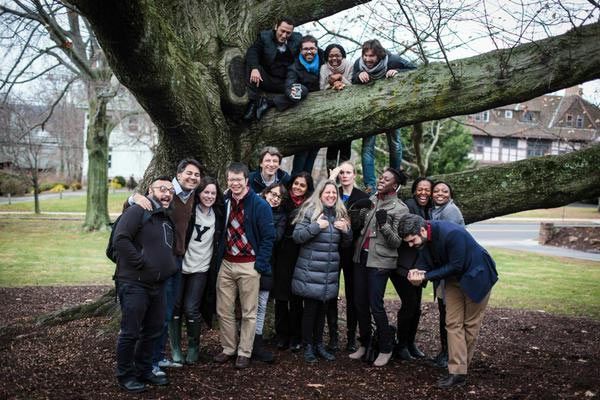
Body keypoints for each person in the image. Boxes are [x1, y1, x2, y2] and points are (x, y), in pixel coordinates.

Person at [399, 214, 498, 389]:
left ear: (422, 230)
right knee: (452, 323)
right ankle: (457, 370)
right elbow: (425, 259)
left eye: (412, 240)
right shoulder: (423, 237)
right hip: (453, 279)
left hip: (477, 276)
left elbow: (456, 265)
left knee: (470, 325)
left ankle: (459, 372)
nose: (411, 245)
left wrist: (426, 276)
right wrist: (417, 272)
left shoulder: (451, 233)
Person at [127, 159, 202, 374]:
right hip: (156, 262)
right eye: (189, 173)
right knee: (155, 314)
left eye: (196, 175)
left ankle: (157, 357)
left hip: (175, 261)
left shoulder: (192, 197)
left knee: (166, 312)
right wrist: (134, 196)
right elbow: (133, 206)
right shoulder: (165, 192)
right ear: (178, 175)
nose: (193, 178)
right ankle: (147, 362)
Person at [113, 176, 179, 393]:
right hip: (134, 283)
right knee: (130, 331)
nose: (167, 193)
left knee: (154, 329)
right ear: (150, 190)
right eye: (162, 188)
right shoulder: (137, 211)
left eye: (170, 189)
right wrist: (141, 263)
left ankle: (143, 369)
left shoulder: (164, 217)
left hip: (158, 284)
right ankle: (125, 375)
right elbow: (120, 239)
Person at [213, 162, 275, 369]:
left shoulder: (260, 205)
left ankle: (244, 352)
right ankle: (229, 348)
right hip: (227, 263)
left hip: (249, 264)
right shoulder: (224, 201)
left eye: (238, 179)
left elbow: (268, 237)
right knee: (224, 310)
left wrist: (260, 264)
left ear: (247, 181)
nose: (235, 183)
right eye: (231, 180)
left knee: (249, 311)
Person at [350, 167, 408, 367]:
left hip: (381, 262)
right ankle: (365, 344)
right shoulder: (372, 200)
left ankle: (386, 348)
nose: (381, 180)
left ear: (395, 185)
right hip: (361, 258)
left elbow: (397, 243)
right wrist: (357, 214)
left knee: (375, 305)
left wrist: (384, 225)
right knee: (359, 303)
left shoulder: (400, 209)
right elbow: (359, 229)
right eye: (381, 177)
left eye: (386, 179)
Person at [291, 179, 352, 363]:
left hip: (329, 272)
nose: (331, 196)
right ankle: (308, 345)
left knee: (323, 310)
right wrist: (317, 226)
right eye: (328, 193)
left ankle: (319, 344)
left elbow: (346, 244)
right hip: (310, 271)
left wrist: (347, 231)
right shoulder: (309, 211)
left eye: (334, 193)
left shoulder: (340, 214)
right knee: (310, 311)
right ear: (320, 194)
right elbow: (297, 236)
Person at [172, 177, 224, 364]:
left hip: (201, 269)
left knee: (192, 309)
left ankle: (194, 347)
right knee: (175, 307)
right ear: (198, 193)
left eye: (213, 193)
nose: (209, 196)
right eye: (205, 192)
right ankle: (176, 348)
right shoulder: (189, 210)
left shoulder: (219, 213)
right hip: (180, 267)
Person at [352, 39, 415, 192]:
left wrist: (398, 72)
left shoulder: (392, 60)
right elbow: (353, 79)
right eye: (365, 55)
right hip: (370, 110)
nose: (367, 59)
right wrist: (359, 75)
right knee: (367, 147)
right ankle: (370, 186)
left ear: (379, 55)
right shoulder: (358, 64)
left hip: (391, 108)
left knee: (395, 145)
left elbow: (415, 69)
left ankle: (395, 180)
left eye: (371, 56)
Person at [260, 35, 324, 174]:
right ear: (300, 50)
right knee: (304, 149)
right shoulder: (294, 67)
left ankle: (306, 185)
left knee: (315, 148)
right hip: (302, 109)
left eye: (312, 49)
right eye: (305, 49)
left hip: (320, 110)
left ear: (317, 49)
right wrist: (293, 94)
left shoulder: (323, 60)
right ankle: (294, 182)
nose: (309, 52)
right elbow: (289, 85)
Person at [326, 161, 369, 352]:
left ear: (355, 175)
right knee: (330, 294)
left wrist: (349, 226)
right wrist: (330, 179)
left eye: (348, 172)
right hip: (332, 250)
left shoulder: (362, 197)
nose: (344, 175)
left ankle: (351, 336)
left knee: (353, 295)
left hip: (353, 251)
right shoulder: (332, 192)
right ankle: (333, 336)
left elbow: (365, 225)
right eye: (341, 172)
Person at [273, 172, 314, 351]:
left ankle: (296, 336)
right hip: (282, 255)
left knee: (297, 298)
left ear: (307, 189)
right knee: (281, 298)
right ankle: (281, 334)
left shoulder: (310, 206)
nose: (297, 187)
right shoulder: (282, 200)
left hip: (301, 255)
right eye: (295, 184)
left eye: (302, 185)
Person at [395, 177, 434, 361]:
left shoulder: (430, 209)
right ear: (414, 191)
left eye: (427, 189)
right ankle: (401, 345)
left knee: (416, 307)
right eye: (420, 189)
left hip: (420, 266)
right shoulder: (409, 207)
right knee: (409, 305)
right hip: (404, 266)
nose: (423, 192)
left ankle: (410, 343)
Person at [429, 180, 465, 369]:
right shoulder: (435, 210)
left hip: (450, 271)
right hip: (443, 269)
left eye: (445, 191)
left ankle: (450, 355)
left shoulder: (450, 211)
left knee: (450, 315)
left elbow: (447, 242)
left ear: (450, 194)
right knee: (444, 313)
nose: (440, 193)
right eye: (436, 191)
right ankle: (445, 352)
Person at [252, 182, 288, 363]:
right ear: (265, 193)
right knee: (244, 307)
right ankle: (241, 342)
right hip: (246, 263)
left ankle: (256, 343)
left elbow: (275, 237)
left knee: (261, 306)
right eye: (272, 194)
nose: (274, 198)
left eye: (278, 196)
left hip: (267, 265)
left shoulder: (281, 217)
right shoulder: (253, 207)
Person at [243, 17, 302, 121]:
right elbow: (253, 51)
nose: (284, 35)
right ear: (276, 27)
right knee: (251, 66)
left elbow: (313, 50)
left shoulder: (298, 39)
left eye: (288, 33)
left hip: (286, 83)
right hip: (266, 78)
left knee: (301, 91)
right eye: (282, 31)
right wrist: (255, 68)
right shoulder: (264, 37)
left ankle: (269, 103)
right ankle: (253, 103)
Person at [320, 44, 353, 171]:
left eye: (337, 55)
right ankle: (331, 178)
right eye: (331, 56)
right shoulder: (324, 68)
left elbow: (353, 87)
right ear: (327, 57)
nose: (334, 58)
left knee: (346, 145)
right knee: (332, 147)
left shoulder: (349, 65)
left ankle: (343, 176)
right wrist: (332, 83)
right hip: (330, 111)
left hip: (348, 110)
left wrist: (341, 78)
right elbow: (321, 89)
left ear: (342, 56)